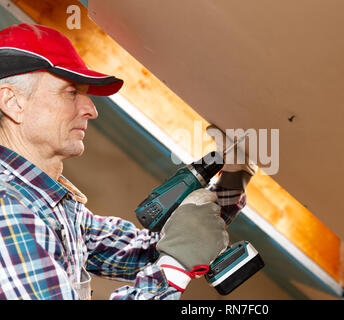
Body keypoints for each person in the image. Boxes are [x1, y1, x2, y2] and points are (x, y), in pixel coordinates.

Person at [0, 23, 256, 299]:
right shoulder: (8, 211)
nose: (91, 110)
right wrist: (175, 266)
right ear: (13, 102)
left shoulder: (51, 204)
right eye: (71, 92)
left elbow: (143, 251)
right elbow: (174, 253)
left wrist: (232, 180)